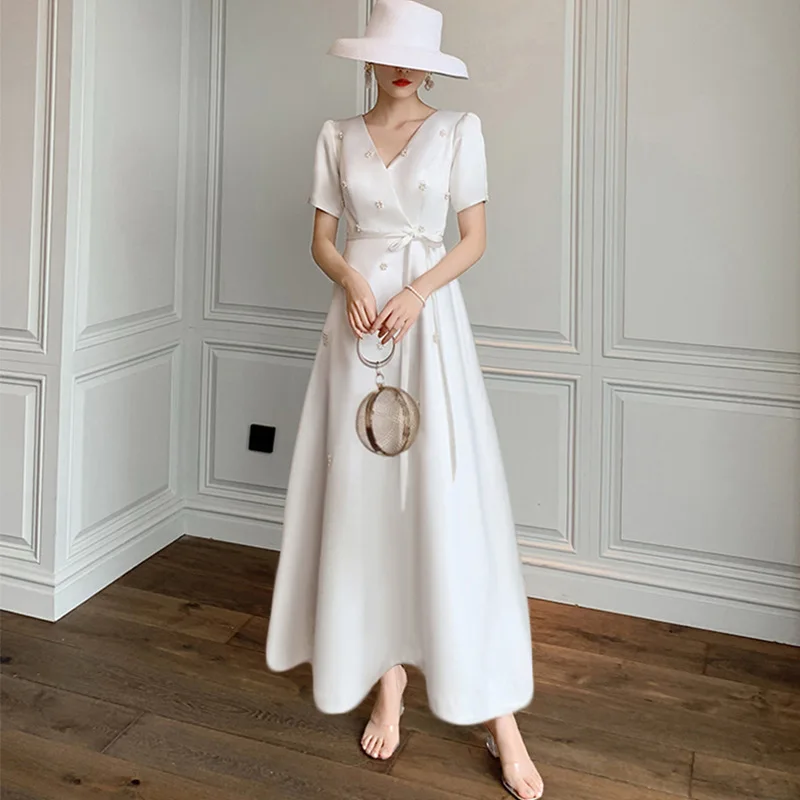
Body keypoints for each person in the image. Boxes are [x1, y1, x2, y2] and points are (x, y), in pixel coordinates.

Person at [265, 1, 543, 797]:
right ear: (370, 58)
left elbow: (475, 239)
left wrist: (417, 291)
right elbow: (322, 238)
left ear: (433, 64)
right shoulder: (335, 135)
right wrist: (352, 276)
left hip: (426, 327)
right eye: (390, 54)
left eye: (416, 57)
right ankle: (387, 680)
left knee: (448, 503)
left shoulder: (460, 130)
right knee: (366, 502)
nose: (403, 68)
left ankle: (498, 719)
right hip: (357, 334)